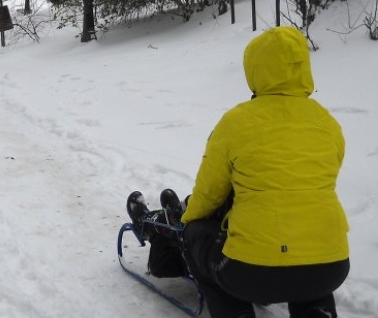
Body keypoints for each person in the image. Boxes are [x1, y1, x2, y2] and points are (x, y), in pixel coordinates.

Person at [127, 26, 349, 318]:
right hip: (330, 269)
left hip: (252, 273)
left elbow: (209, 193)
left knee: (196, 231)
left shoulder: (237, 122)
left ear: (254, 69)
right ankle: (315, 309)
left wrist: (187, 223)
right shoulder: (328, 123)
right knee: (306, 264)